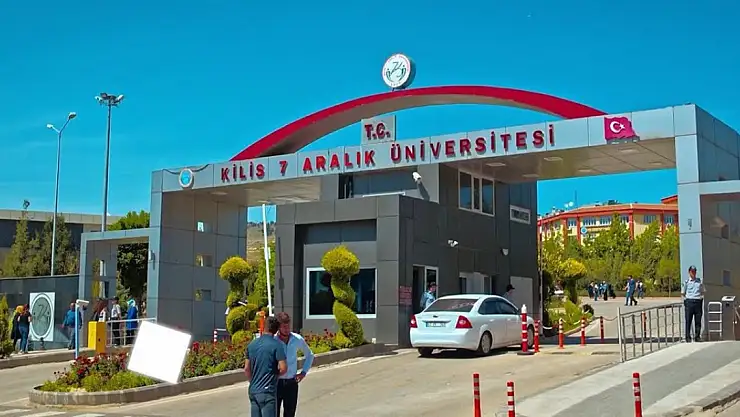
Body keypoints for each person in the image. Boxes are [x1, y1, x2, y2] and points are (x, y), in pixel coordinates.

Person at [246, 316, 287, 417]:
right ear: (276, 330)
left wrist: (253, 381)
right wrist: (275, 375)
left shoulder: (252, 345)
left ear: (264, 327)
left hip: (253, 390)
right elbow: (283, 368)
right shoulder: (277, 345)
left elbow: (247, 368)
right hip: (267, 391)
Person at [275, 312, 314, 417]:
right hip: (276, 383)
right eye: (284, 327)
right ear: (278, 327)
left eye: (288, 326)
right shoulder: (273, 340)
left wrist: (303, 373)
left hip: (291, 383)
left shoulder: (297, 339)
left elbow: (310, 355)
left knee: (290, 413)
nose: (287, 329)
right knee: (273, 413)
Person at [682, 265, 705, 343]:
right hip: (689, 302)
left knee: (698, 321)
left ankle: (697, 337)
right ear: (689, 272)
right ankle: (688, 337)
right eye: (692, 271)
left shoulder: (699, 281)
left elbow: (703, 291)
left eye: (694, 271)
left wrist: (700, 298)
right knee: (688, 320)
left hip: (698, 302)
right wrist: (687, 300)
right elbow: (683, 293)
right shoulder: (686, 282)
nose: (693, 273)